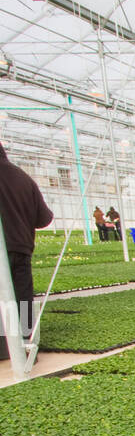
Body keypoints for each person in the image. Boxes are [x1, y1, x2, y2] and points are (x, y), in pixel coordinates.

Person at [0, 140, 53, 360]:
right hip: (21, 247)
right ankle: (24, 344)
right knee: (21, 295)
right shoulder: (22, 177)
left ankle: (5, 346)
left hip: (5, 244)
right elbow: (44, 218)